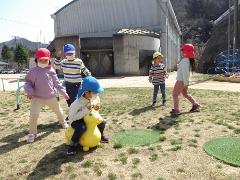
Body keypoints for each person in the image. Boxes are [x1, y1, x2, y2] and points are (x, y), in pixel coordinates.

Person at [24, 48, 70, 143]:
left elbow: (57, 83)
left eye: (46, 60)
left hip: (51, 97)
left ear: (49, 60)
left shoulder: (51, 70)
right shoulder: (33, 71)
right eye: (41, 60)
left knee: (58, 111)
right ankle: (32, 133)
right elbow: (27, 82)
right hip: (37, 98)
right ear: (37, 60)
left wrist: (64, 93)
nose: (44, 61)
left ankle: (63, 122)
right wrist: (30, 92)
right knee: (33, 115)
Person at [67, 76, 108, 155]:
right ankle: (72, 145)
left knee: (102, 122)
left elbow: (96, 106)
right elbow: (71, 117)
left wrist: (97, 107)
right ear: (86, 92)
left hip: (89, 118)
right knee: (81, 128)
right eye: (95, 92)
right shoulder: (77, 103)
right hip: (76, 120)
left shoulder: (95, 97)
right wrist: (85, 110)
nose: (97, 94)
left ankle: (101, 136)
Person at [170, 43, 200, 115]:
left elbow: (185, 73)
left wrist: (186, 83)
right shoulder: (187, 61)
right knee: (185, 94)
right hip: (184, 81)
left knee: (175, 94)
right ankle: (195, 104)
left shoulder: (184, 61)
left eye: (182, 50)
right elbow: (184, 71)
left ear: (185, 52)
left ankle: (176, 110)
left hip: (181, 81)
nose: (181, 52)